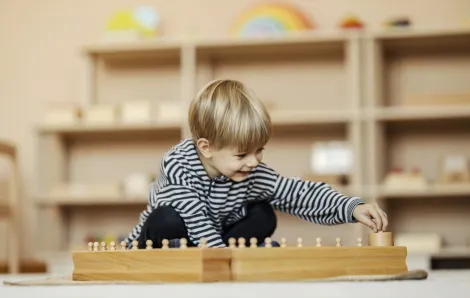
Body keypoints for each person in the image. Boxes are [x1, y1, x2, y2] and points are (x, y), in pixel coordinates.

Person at [124, 79, 388, 249]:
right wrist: (219, 258)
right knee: (167, 217)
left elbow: (299, 193)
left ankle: (235, 252)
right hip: (167, 239)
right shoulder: (178, 165)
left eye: (259, 151)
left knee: (262, 214)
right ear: (206, 147)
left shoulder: (250, 172)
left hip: (214, 240)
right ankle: (201, 258)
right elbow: (193, 217)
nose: (253, 162)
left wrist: (352, 207)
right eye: (241, 155)